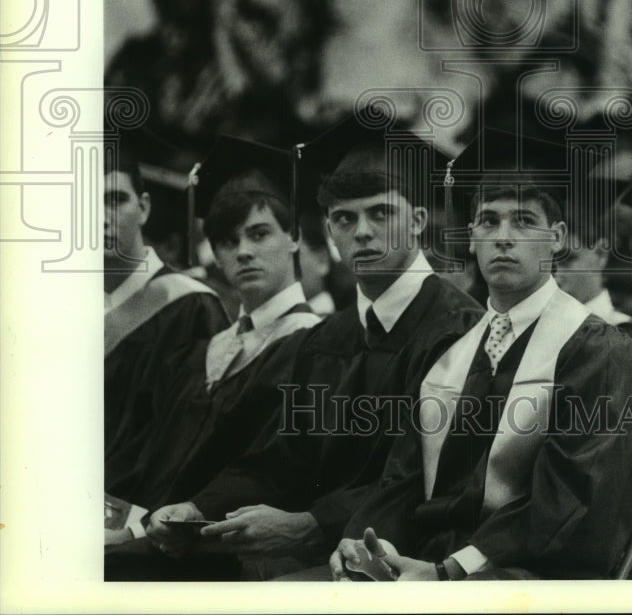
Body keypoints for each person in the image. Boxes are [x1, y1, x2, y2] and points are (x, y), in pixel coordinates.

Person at [137, 112, 483, 580]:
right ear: (328, 229)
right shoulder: (326, 339)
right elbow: (279, 460)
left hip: (404, 561)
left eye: (381, 212)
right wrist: (196, 507)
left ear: (418, 219)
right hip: (314, 555)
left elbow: (429, 482)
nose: (361, 231)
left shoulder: (461, 330)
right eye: (344, 217)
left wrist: (310, 525)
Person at [325, 127, 632, 581]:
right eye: (488, 221)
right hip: (428, 569)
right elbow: (402, 480)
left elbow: (577, 499)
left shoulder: (598, 352)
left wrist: (450, 571)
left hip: (526, 577)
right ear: (471, 238)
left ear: (557, 237)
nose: (503, 237)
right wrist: (371, 542)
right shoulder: (448, 350)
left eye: (523, 221)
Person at [107, 137, 321, 514]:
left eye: (259, 234)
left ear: (294, 238)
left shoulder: (316, 346)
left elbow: (283, 471)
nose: (242, 251)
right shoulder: (203, 353)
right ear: (215, 257)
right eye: (227, 240)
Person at [104, 148, 229, 500]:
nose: (99, 217)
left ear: (143, 207)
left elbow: (189, 444)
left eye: (114, 200)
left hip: (138, 526)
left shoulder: (190, 306)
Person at [554, 207, 632, 345]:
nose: (555, 274)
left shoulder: (626, 332)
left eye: (567, 260)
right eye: (550, 263)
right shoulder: (539, 330)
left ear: (600, 253)